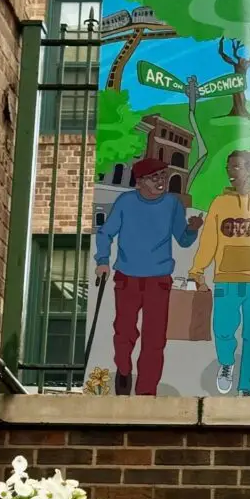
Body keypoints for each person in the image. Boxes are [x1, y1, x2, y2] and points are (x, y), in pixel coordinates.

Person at [95, 158, 203, 396]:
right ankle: (123, 370)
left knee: (154, 339)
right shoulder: (126, 202)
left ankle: (146, 391)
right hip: (127, 278)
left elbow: (182, 240)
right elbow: (106, 232)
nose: (161, 181)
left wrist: (192, 229)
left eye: (164, 176)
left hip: (158, 280)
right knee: (124, 332)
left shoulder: (173, 204)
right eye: (155, 177)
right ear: (140, 182)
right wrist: (102, 261)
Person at [190, 151, 250, 396]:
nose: (232, 172)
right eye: (229, 167)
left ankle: (246, 385)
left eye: (237, 167)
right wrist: (197, 270)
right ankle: (227, 363)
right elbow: (209, 239)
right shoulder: (220, 203)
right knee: (222, 329)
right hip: (226, 278)